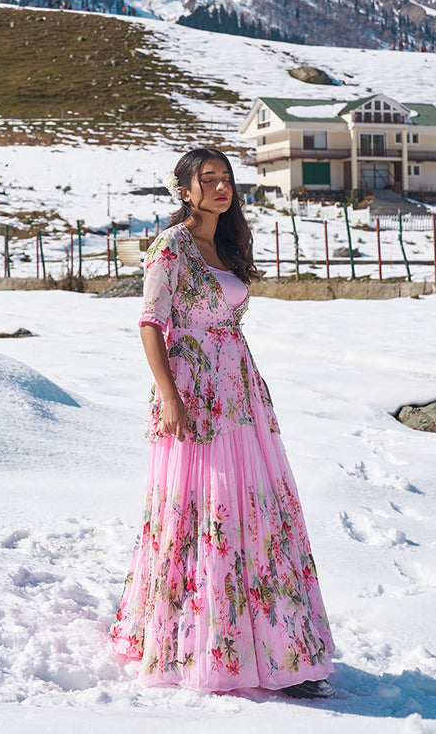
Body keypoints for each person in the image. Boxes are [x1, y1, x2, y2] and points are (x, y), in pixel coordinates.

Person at [110, 148, 334, 696]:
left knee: (256, 513)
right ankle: (203, 644)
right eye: (206, 180)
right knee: (205, 512)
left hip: (240, 394)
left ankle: (278, 650)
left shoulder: (226, 243)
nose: (219, 188)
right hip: (195, 394)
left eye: (226, 179)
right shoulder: (173, 246)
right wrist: (170, 398)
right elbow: (150, 324)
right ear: (184, 190)